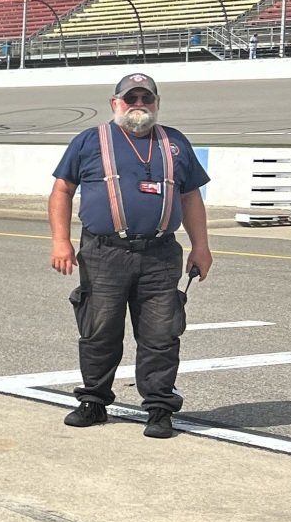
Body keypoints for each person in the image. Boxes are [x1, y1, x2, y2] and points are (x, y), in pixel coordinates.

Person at [49, 72, 212, 438]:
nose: (138, 106)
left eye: (146, 99)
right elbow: (61, 190)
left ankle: (158, 408)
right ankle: (93, 402)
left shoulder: (174, 143)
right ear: (115, 103)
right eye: (130, 99)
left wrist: (201, 246)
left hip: (159, 255)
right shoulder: (90, 141)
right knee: (99, 330)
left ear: (156, 103)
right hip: (105, 253)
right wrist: (61, 240)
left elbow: (190, 197)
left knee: (161, 335)